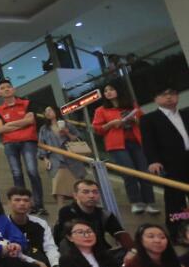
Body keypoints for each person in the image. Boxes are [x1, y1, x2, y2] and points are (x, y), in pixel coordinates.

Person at [93, 84, 156, 215]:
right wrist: (111, 124)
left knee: (144, 172)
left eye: (111, 89)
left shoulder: (131, 105)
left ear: (118, 90)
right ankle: (136, 202)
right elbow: (97, 129)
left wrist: (134, 119)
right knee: (129, 173)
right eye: (105, 91)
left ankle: (150, 203)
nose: (108, 92)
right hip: (117, 145)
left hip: (137, 142)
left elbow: (144, 122)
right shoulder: (101, 110)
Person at [141, 87, 189, 231]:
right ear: (156, 99)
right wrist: (153, 161)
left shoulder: (186, 113)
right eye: (163, 95)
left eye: (172, 94)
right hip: (171, 163)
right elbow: (148, 143)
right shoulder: (149, 119)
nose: (169, 97)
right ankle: (178, 230)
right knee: (175, 199)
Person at [0, 80, 45, 214]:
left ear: (14, 89)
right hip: (9, 144)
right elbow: (0, 129)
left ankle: (39, 205)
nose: (6, 89)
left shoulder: (27, 103)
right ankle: (22, 206)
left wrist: (9, 125)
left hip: (28, 141)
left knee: (32, 171)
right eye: (2, 88)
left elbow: (30, 120)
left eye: (8, 87)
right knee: (16, 174)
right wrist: (22, 123)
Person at [53, 179, 133, 250]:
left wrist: (132, 251)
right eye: (86, 192)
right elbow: (66, 240)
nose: (91, 196)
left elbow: (120, 233)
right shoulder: (67, 212)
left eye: (95, 192)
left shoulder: (104, 214)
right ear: (75, 195)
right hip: (75, 252)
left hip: (101, 252)